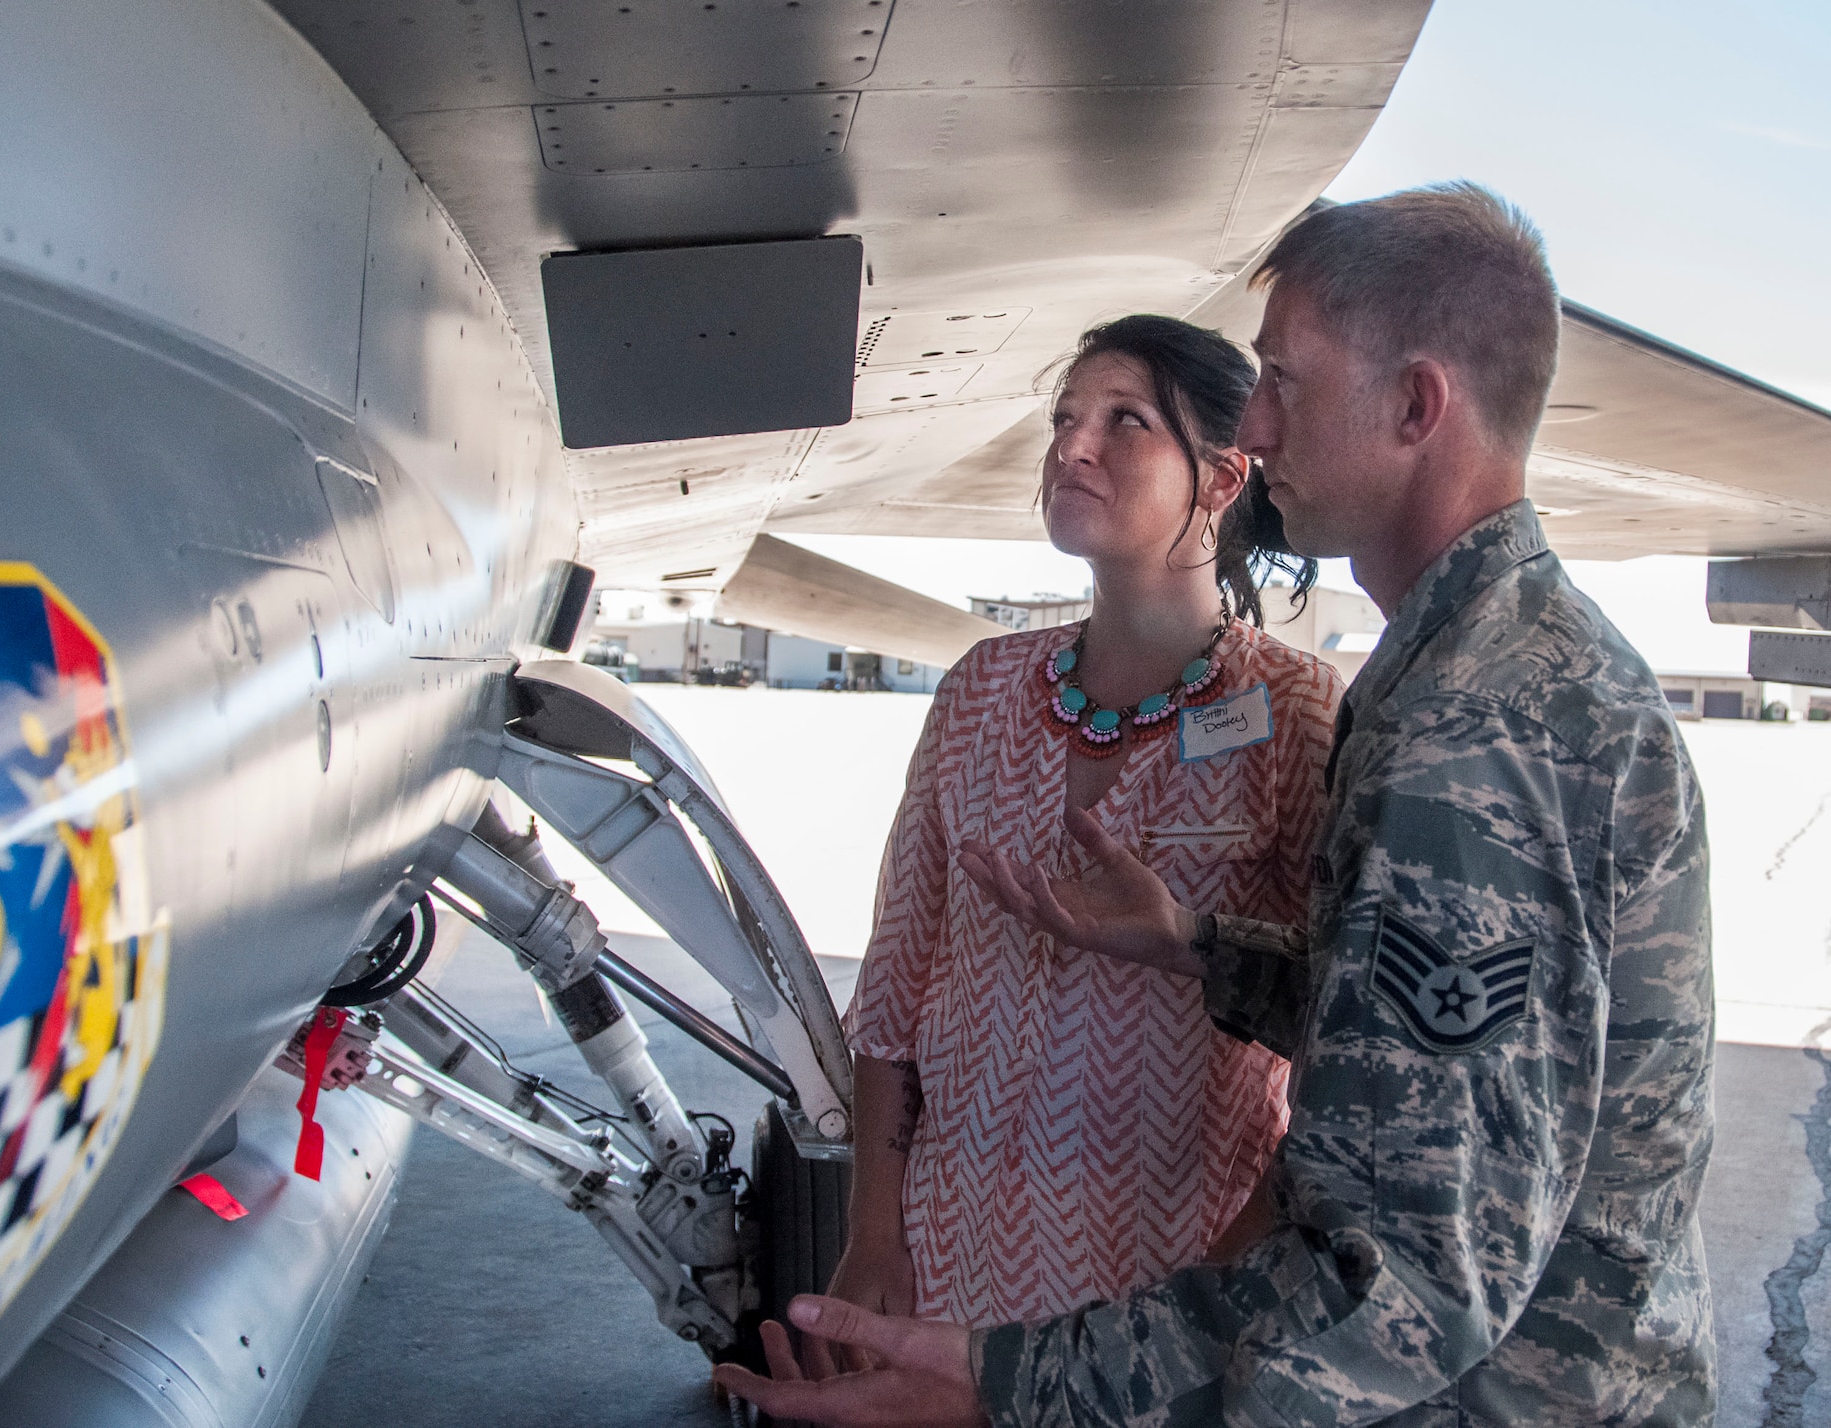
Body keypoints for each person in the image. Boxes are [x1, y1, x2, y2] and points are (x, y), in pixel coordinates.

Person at [716, 182, 1716, 1427]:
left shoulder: (1470, 729)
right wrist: (1194, 948)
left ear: (1414, 406)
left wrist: (1009, 1386)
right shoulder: (1466, 673)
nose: (1257, 419)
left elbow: (1406, 1275)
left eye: (1284, 380)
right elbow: (1431, 1053)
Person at [828, 315, 1343, 1335]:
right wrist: (872, 1236)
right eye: (1066, 418)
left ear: (1224, 479)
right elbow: (895, 982)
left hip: (1172, 1268)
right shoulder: (980, 690)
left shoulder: (1297, 715)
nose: (1071, 447)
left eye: (1125, 422)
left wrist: (1236, 1267)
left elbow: (1339, 1021)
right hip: (949, 1253)